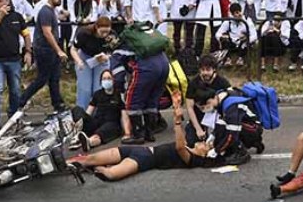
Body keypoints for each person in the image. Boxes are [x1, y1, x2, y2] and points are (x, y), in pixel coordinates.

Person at [68, 96, 213, 181]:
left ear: (204, 154)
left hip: (146, 159)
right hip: (138, 149)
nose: (203, 143)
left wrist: (176, 121)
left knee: (111, 173)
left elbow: (179, 147)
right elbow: (182, 138)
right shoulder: (189, 145)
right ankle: (68, 164)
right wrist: (176, 107)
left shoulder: (192, 160)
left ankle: (94, 169)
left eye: (206, 146)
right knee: (89, 158)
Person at [0, 0, 31, 131]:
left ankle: (14, 117)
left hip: (14, 59)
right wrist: (1, 15)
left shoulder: (17, 17)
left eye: (0, 1)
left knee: (15, 90)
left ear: (7, 1)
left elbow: (26, 34)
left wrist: (28, 51)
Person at [20, 0, 68, 112]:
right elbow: (47, 33)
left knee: (54, 78)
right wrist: (58, 50)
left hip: (50, 50)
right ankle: (21, 101)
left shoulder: (52, 11)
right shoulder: (45, 12)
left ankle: (58, 104)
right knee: (42, 79)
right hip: (45, 50)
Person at [193, 87, 265, 162]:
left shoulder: (231, 106)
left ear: (210, 99)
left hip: (253, 128)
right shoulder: (219, 97)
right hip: (244, 124)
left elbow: (232, 134)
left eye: (204, 107)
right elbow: (221, 121)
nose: (204, 110)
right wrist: (213, 135)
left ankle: (242, 153)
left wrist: (216, 150)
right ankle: (254, 143)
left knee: (230, 131)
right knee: (222, 129)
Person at [71, 69, 130, 150]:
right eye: (104, 79)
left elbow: (124, 115)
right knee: (76, 109)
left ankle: (89, 142)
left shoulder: (119, 95)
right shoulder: (97, 94)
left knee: (100, 134)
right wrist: (82, 119)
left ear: (113, 80)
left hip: (111, 124)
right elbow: (89, 112)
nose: (106, 81)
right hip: (97, 122)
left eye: (109, 78)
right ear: (101, 81)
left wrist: (127, 133)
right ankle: (77, 134)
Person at [184, 54, 230, 143]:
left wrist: (218, 101)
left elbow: (232, 97)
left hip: (217, 118)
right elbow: (189, 107)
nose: (205, 73)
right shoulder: (193, 83)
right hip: (199, 117)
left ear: (214, 70)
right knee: (192, 142)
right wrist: (198, 129)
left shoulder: (222, 82)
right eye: (202, 70)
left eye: (208, 70)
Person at [71, 16, 114, 109]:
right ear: (96, 28)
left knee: (98, 88)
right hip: (85, 58)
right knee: (85, 89)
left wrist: (107, 56)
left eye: (107, 31)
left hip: (101, 59)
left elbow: (113, 51)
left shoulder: (112, 35)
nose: (104, 35)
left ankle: (99, 112)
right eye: (102, 32)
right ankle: (82, 112)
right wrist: (78, 62)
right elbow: (73, 50)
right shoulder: (84, 33)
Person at [215, 3, 257, 67]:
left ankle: (241, 59)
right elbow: (217, 34)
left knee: (245, 43)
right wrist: (222, 37)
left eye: (240, 12)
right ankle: (227, 60)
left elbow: (254, 35)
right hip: (232, 43)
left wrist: (248, 38)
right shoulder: (228, 21)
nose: (239, 14)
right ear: (232, 14)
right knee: (224, 41)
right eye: (236, 13)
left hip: (243, 43)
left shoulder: (247, 20)